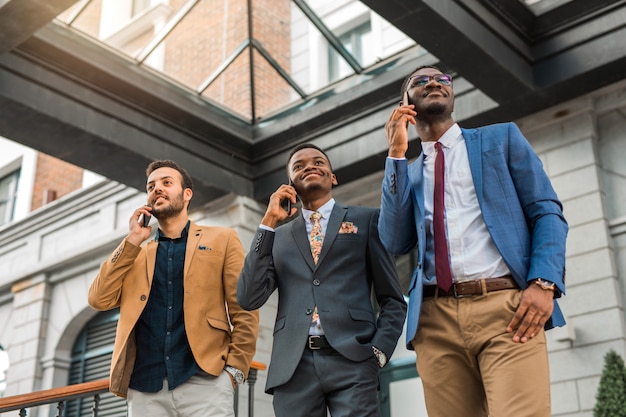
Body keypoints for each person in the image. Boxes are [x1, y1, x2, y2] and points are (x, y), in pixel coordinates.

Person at [378, 65, 568, 417]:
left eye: (442, 79)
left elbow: (547, 213)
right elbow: (393, 240)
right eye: (420, 81)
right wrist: (395, 156)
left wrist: (544, 282)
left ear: (452, 94)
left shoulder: (501, 139)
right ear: (404, 104)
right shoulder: (409, 172)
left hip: (506, 309)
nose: (434, 82)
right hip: (435, 321)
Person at [237, 143, 407, 417]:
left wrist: (378, 352)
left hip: (353, 360)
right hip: (293, 367)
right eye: (299, 166)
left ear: (333, 176)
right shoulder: (276, 237)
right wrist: (268, 222)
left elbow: (393, 299)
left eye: (318, 162)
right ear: (289, 184)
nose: (310, 167)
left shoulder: (366, 220)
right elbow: (248, 297)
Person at [88, 160, 259, 417]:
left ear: (186, 194)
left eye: (166, 183)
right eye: (151, 186)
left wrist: (234, 370)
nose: (157, 189)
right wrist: (132, 240)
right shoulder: (135, 252)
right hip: (145, 388)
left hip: (205, 382)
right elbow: (98, 299)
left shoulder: (222, 239)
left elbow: (244, 307)